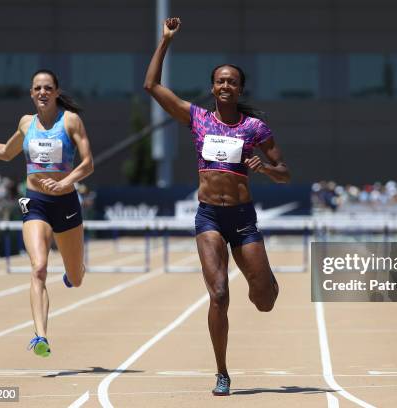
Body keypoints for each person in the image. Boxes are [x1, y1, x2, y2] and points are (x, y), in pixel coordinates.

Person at [144, 17, 290, 395]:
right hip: (209, 215)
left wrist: (268, 168)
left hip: (242, 219)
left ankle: (266, 281)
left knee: (265, 301)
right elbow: (151, 86)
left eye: (233, 81)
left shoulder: (254, 128)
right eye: (220, 81)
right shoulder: (197, 118)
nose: (226, 86)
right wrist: (165, 41)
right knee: (219, 293)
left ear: (240, 89)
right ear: (213, 86)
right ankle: (222, 372)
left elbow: (285, 172)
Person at [0, 69, 94, 357]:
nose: (42, 92)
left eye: (47, 88)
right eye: (37, 88)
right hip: (36, 202)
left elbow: (88, 163)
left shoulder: (71, 121)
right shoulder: (26, 123)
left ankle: (71, 273)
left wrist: (65, 182)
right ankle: (40, 336)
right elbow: (5, 152)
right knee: (38, 267)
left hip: (65, 204)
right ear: (31, 93)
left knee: (77, 278)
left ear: (56, 92)